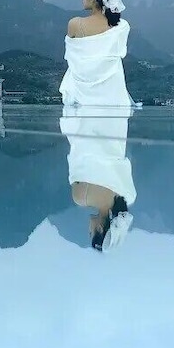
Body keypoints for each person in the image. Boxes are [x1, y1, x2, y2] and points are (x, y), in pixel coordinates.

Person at [60, 104, 136, 251]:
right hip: (87, 123)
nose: (88, 230)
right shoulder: (81, 198)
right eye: (91, 233)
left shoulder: (128, 195)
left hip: (114, 123)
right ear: (100, 228)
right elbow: (77, 155)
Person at [59, 0, 133, 107]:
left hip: (79, 94)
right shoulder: (121, 27)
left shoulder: (75, 24)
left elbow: (71, 57)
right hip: (113, 95)